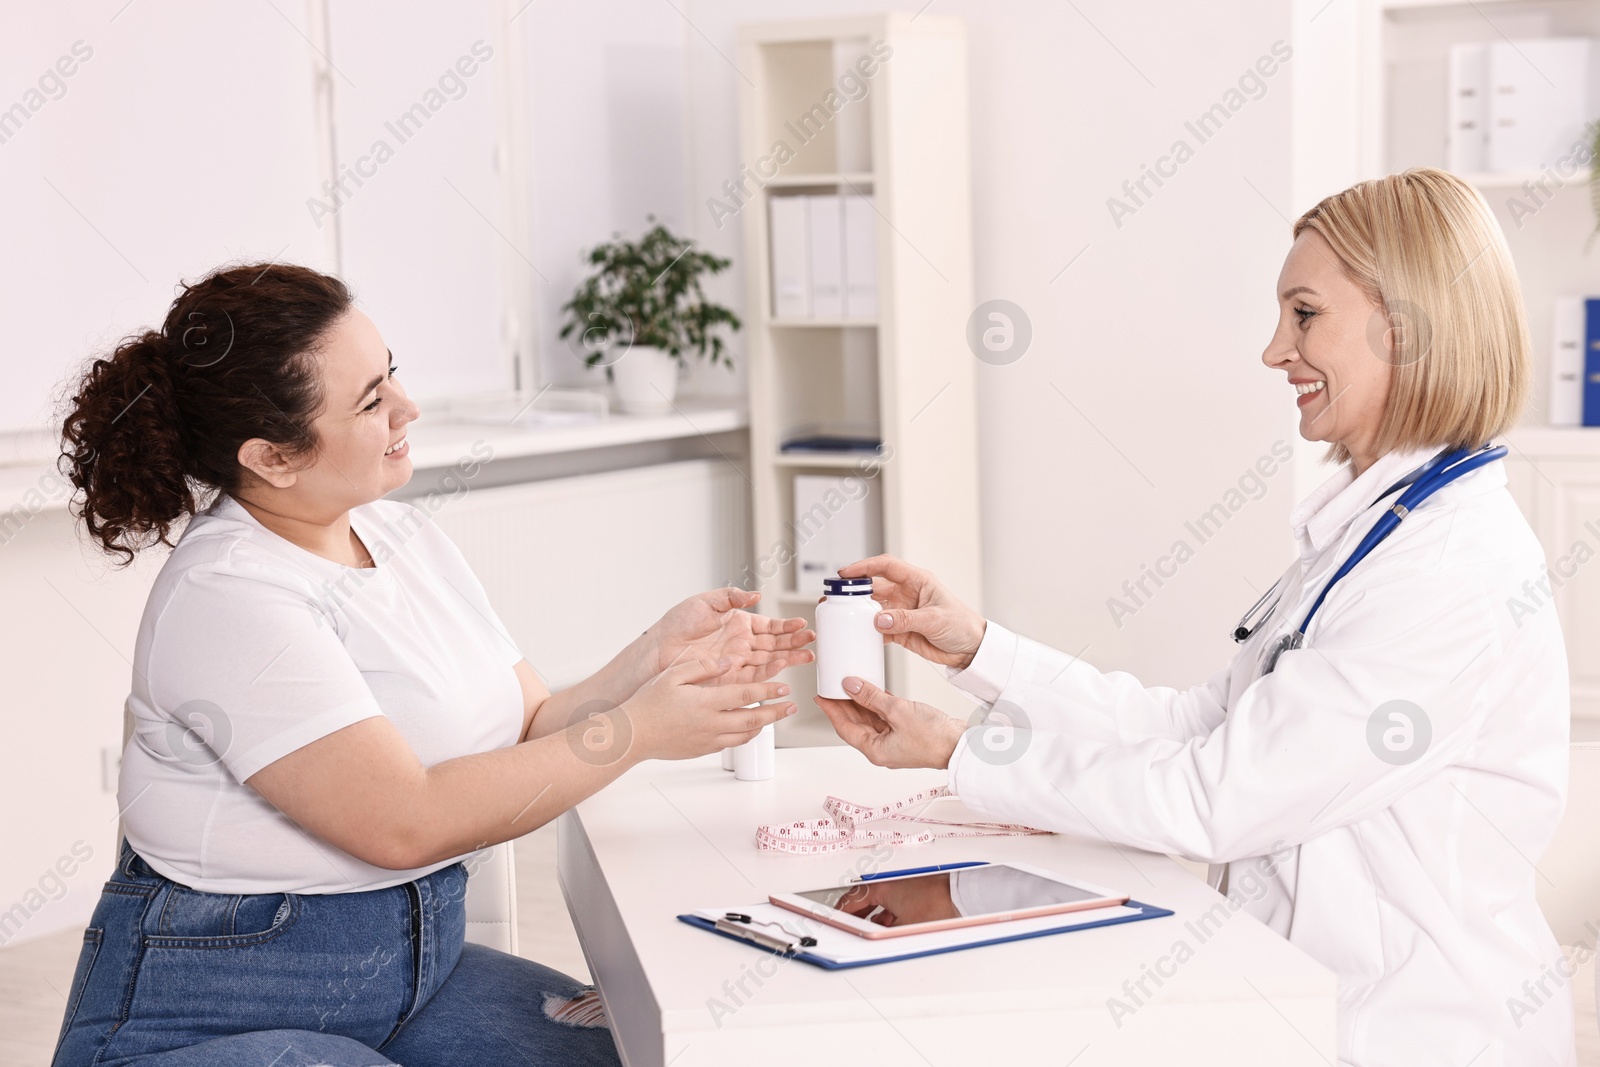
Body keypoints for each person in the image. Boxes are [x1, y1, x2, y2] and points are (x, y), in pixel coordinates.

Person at [815, 168, 1574, 1066]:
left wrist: (960, 751)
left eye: (1303, 314)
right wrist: (982, 650)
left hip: (1410, 1033)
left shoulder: (1445, 572)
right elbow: (1192, 728)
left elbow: (1216, 797)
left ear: (1401, 329)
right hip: (1308, 1002)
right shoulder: (1377, 529)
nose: (1273, 351)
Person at [49, 262, 813, 1067]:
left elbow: (531, 726)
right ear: (273, 457)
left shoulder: (405, 537)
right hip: (219, 1013)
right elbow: (402, 821)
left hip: (413, 975)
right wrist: (641, 730)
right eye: (372, 401)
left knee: (625, 1054)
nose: (408, 408)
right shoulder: (228, 593)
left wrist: (649, 661)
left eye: (393, 374)